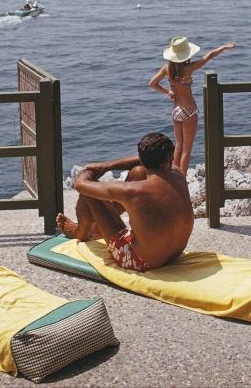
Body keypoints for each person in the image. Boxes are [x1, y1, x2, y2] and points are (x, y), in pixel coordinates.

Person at [56, 132, 192, 272]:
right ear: (170, 157)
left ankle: (80, 232)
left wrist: (91, 169)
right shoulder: (178, 174)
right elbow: (139, 163)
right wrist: (106, 166)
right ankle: (97, 228)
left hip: (141, 261)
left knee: (90, 192)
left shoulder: (133, 191)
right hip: (174, 254)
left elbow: (80, 185)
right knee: (138, 171)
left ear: (143, 159)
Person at [149, 37, 236, 174]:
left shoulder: (167, 69)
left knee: (178, 146)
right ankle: (182, 178)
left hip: (176, 111)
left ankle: (174, 175)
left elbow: (152, 83)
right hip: (189, 110)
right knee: (187, 149)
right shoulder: (188, 68)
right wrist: (224, 47)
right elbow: (208, 57)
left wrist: (168, 92)